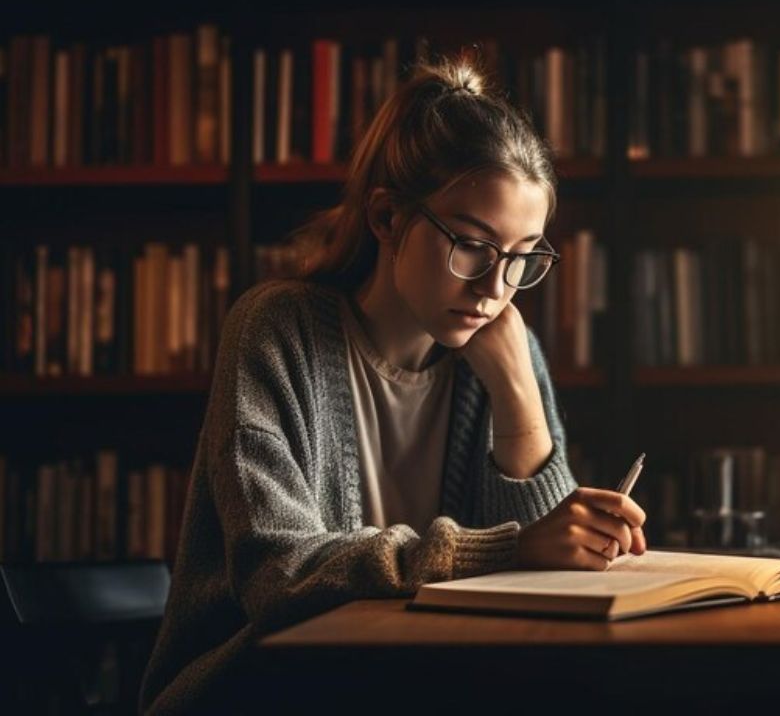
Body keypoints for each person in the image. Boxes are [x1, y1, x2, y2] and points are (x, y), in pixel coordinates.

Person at [139, 57, 647, 714]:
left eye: (523, 257)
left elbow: (544, 585)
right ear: (386, 219)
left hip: (417, 685)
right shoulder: (276, 329)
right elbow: (278, 574)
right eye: (471, 245)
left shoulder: (504, 346)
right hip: (258, 691)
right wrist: (505, 548)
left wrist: (519, 394)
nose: (495, 288)